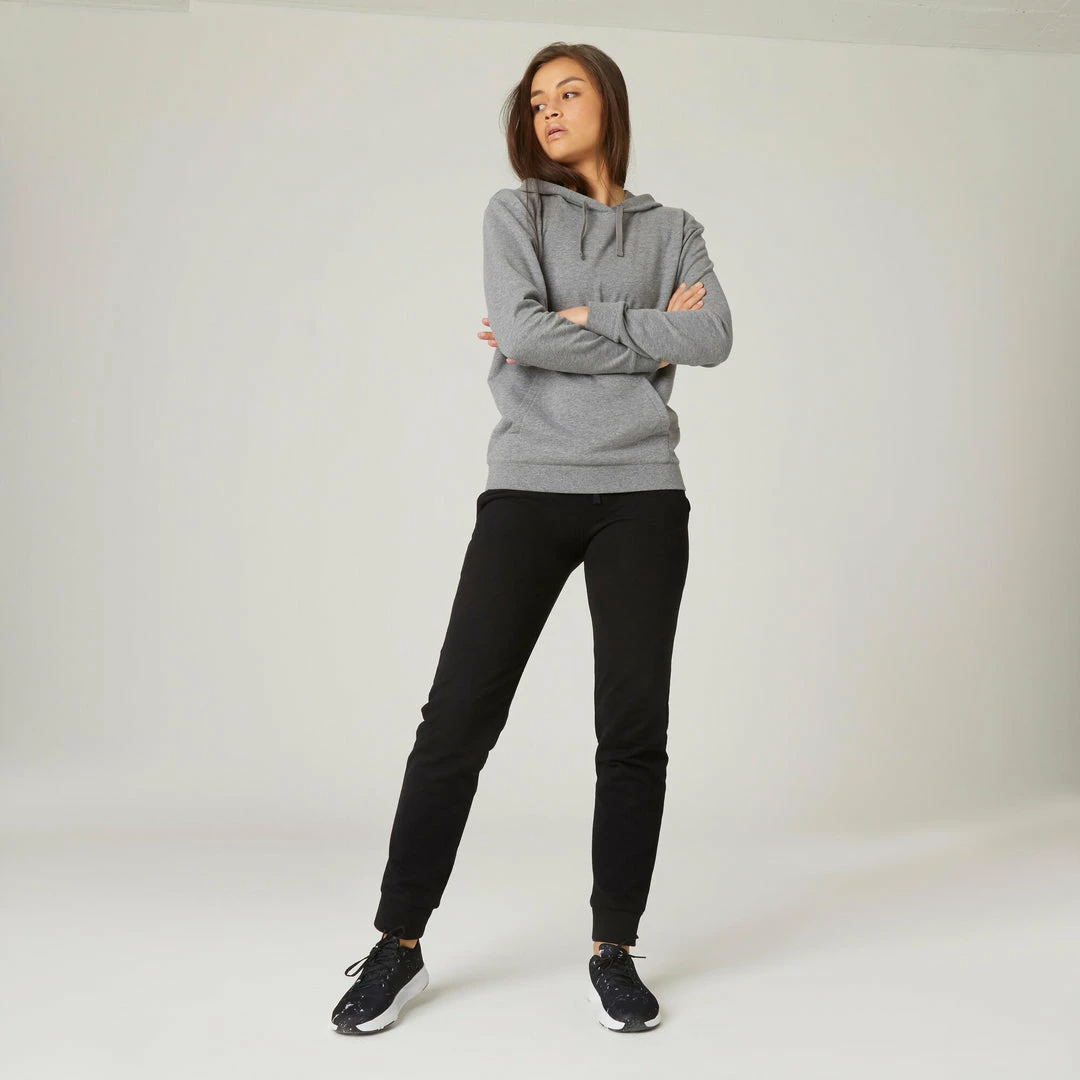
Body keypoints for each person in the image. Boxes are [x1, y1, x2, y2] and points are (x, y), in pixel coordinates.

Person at [331, 41, 733, 1037]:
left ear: (609, 104)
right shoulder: (516, 213)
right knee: (457, 718)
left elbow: (714, 336)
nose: (548, 109)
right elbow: (520, 332)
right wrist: (641, 331)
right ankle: (398, 942)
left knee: (632, 730)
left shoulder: (675, 229)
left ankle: (613, 950)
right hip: (528, 484)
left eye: (569, 91)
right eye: (537, 98)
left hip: (643, 493)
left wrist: (585, 314)